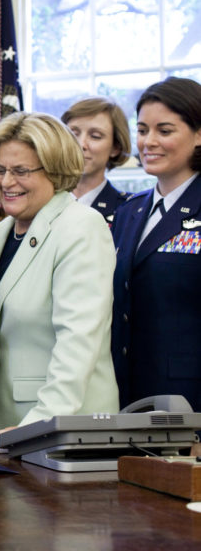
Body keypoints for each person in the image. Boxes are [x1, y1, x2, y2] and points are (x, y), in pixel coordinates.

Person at [0, 112, 119, 443]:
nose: (6, 182)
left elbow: (77, 342)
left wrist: (36, 427)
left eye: (21, 171)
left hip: (60, 428)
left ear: (55, 169)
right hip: (3, 422)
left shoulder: (81, 226)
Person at [111, 77, 201, 412]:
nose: (149, 142)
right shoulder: (128, 212)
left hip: (187, 403)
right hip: (125, 396)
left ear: (199, 134)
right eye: (143, 130)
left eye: (164, 131)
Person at [61, 97, 131, 224]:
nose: (81, 144)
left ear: (115, 147)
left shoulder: (128, 210)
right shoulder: (41, 202)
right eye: (74, 133)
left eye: (95, 136)